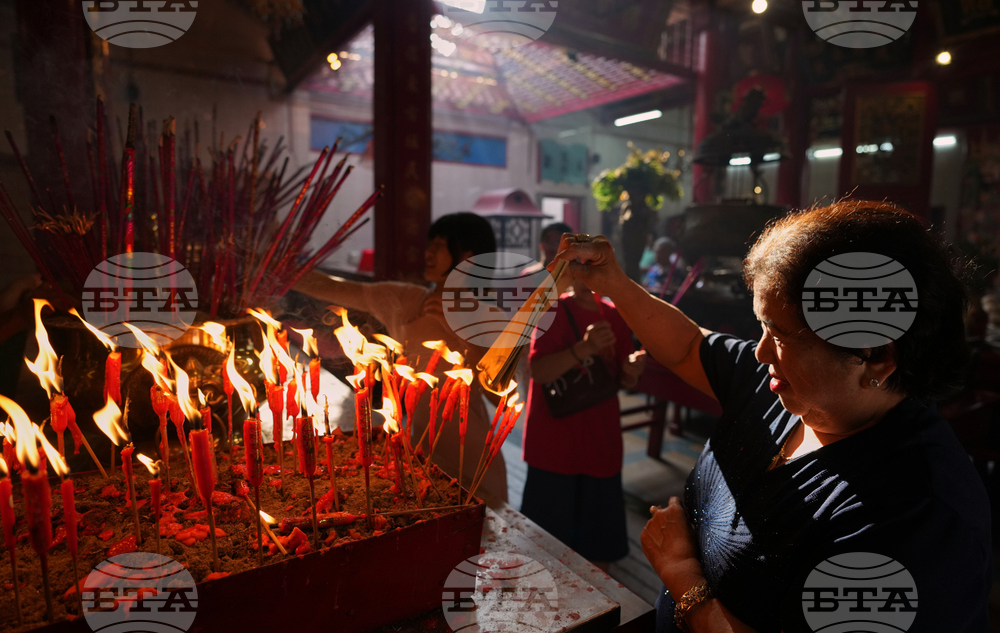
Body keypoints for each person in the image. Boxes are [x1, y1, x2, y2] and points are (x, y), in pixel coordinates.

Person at [553, 201, 991, 632]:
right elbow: (690, 347)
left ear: (875, 356)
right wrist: (614, 283)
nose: (760, 353)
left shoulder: (916, 519)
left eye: (779, 334)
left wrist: (682, 573)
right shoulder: (786, 386)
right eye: (761, 327)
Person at [294, 212, 508, 502]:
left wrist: (457, 333)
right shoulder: (409, 300)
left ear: (467, 255)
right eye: (429, 243)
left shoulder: (489, 317)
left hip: (473, 464)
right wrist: (277, 266)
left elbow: (504, 397)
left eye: (440, 244)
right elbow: (331, 288)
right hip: (422, 457)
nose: (428, 252)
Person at [520, 273, 646, 569]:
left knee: (597, 553)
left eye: (596, 269)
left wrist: (632, 371)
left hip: (599, 442)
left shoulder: (615, 315)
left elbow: (621, 379)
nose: (589, 279)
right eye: (581, 269)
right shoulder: (551, 310)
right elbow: (539, 371)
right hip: (554, 443)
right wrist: (584, 348)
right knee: (544, 549)